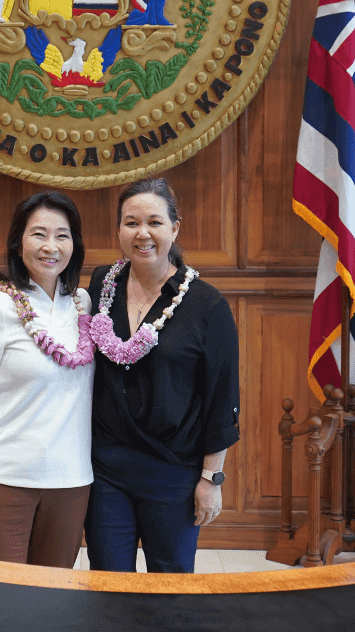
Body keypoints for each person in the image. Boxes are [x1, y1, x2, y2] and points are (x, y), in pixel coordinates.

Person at [81, 177, 240, 573]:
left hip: (174, 472)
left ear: (174, 228)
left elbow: (222, 399)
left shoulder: (207, 304)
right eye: (131, 223)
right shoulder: (103, 284)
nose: (143, 233)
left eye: (154, 222)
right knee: (108, 583)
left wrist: (210, 479)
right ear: (119, 230)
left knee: (169, 590)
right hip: (105, 469)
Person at [0, 190, 94, 567]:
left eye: (62, 235)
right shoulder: (0, 308)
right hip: (5, 480)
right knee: (0, 606)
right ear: (19, 244)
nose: (51, 246)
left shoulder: (83, 306)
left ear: (74, 246)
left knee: (51, 605)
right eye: (39, 234)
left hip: (71, 481)